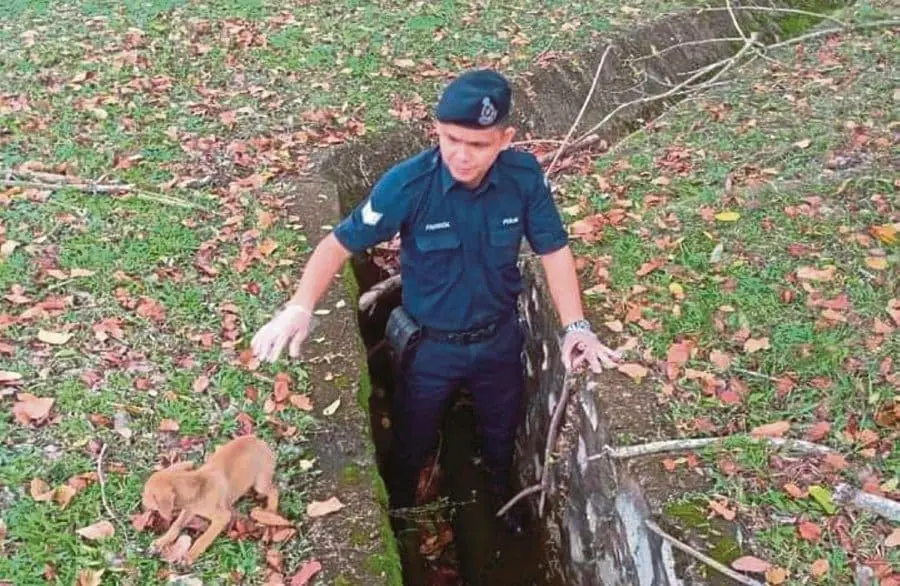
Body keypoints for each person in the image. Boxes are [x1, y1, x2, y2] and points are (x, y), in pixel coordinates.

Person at [250, 69, 620, 534]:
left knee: (501, 432)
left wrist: (575, 327)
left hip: (498, 340)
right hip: (431, 348)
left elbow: (554, 250)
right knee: (412, 435)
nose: (462, 156)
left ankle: (500, 499)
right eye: (451, 139)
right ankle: (402, 507)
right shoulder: (408, 185)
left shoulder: (523, 179)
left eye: (479, 145)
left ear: (506, 139)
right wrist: (300, 307)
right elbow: (338, 244)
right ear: (436, 130)